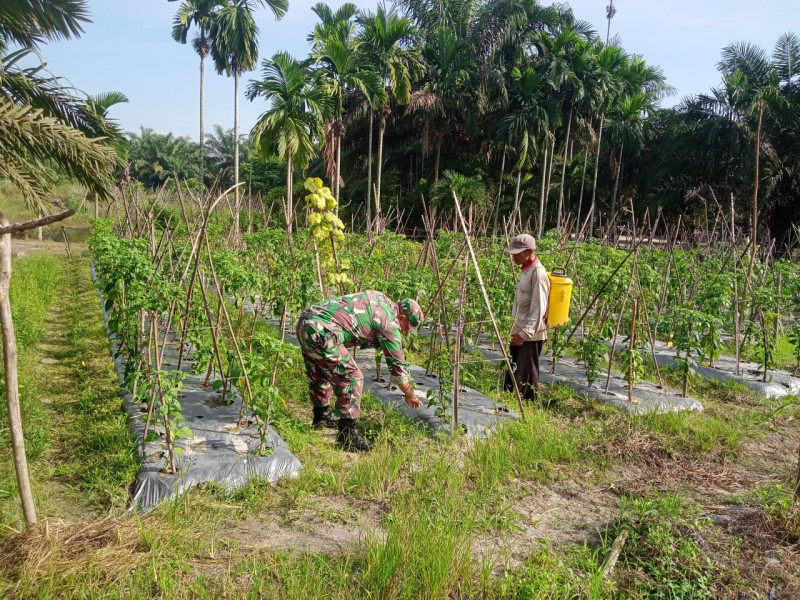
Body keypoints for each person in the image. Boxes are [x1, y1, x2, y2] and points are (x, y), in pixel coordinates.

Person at [295, 291, 424, 452]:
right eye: (408, 328)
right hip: (321, 330)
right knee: (352, 377)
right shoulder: (389, 323)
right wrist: (410, 394)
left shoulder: (381, 299)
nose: (407, 332)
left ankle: (322, 414)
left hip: (305, 322)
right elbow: (398, 369)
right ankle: (347, 434)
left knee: (319, 369)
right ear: (402, 318)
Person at [504, 233, 550, 401]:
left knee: (527, 374)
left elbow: (539, 308)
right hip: (519, 330)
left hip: (530, 334)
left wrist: (523, 335)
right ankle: (509, 400)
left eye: (518, 253)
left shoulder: (538, 274)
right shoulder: (526, 270)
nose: (514, 256)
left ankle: (527, 407)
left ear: (530, 251)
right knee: (514, 369)